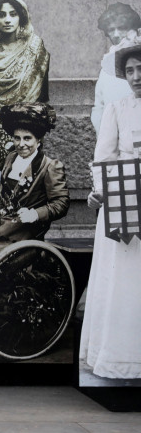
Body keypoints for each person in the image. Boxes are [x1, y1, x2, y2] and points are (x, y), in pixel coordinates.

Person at [81, 40, 141, 380]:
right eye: (130, 71)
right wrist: (99, 193)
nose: (136, 76)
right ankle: (122, 358)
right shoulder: (118, 108)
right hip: (125, 200)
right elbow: (104, 158)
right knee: (125, 276)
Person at [0, 103, 69, 259]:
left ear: (38, 140)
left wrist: (35, 214)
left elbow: (61, 203)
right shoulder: (10, 158)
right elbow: (5, 195)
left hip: (23, 230)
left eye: (27, 138)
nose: (21, 144)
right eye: (17, 138)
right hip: (1, 222)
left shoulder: (50, 166)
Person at [0, 0, 50, 109]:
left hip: (27, 115)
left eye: (13, 14)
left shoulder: (34, 47)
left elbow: (42, 94)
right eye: (1, 15)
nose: (7, 20)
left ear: (21, 17)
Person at [91, 3, 141, 133]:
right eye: (111, 30)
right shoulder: (106, 69)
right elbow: (99, 106)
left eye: (122, 28)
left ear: (134, 29)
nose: (116, 34)